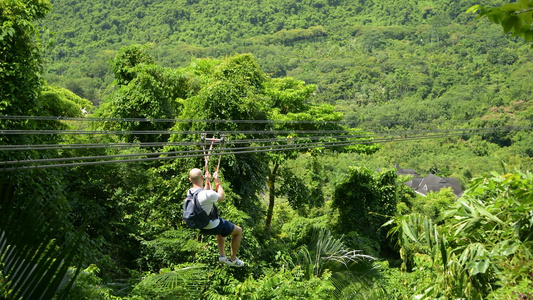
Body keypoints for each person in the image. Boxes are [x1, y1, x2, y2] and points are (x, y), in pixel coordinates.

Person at [188, 167, 245, 267]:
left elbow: (205, 195)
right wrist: (217, 181)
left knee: (221, 230)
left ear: (190, 179)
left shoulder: (190, 192)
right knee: (238, 231)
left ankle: (222, 255)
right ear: (202, 177)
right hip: (213, 225)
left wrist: (207, 181)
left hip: (201, 226)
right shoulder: (207, 194)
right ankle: (233, 259)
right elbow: (221, 196)